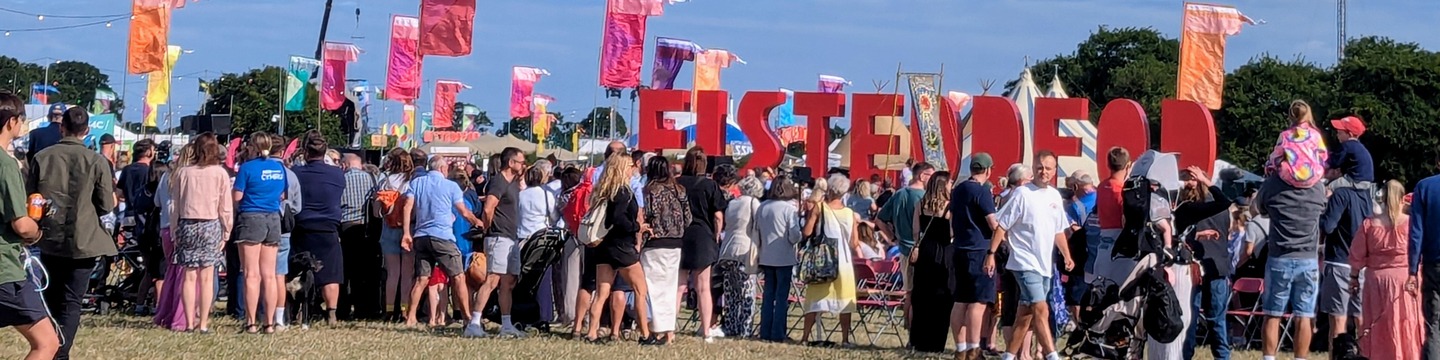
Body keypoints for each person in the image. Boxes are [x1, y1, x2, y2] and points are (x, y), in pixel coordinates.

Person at [29, 107, 118, 357]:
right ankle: (60, 352)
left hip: (50, 237)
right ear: (87, 131)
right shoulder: (97, 161)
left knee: (50, 298)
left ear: (61, 127)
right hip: (84, 240)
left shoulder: (42, 157)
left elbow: (32, 198)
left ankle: (49, 348)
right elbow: (106, 205)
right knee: (72, 301)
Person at [984, 151, 1073, 360]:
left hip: (1044, 264)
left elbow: (1058, 230)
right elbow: (1002, 226)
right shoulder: (1022, 194)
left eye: (1048, 168)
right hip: (1024, 262)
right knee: (1041, 308)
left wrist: (1067, 255)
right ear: (1033, 169)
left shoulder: (1054, 196)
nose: (1043, 172)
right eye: (1040, 167)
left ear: (1054, 171)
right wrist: (991, 253)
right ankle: (1052, 356)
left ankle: (1008, 356)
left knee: (1026, 314)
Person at [1256, 129, 1328, 360]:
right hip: (1308, 258)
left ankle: (1269, 357)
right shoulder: (1317, 187)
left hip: (1279, 257)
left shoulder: (1273, 184)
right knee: (1304, 315)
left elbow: (1256, 209)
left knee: (1272, 314)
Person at [0, 93, 59, 360]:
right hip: (4, 269)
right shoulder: (5, 164)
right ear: (12, 122)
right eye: (22, 119)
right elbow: (22, 225)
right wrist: (37, 231)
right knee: (47, 342)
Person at [582, 154, 660, 345]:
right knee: (640, 290)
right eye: (630, 165)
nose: (633, 168)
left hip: (604, 246)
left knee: (601, 293)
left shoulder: (604, 190)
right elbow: (619, 219)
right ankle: (645, 334)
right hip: (622, 247)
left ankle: (592, 333)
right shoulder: (623, 192)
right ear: (623, 168)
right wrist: (637, 227)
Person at [400, 155, 482, 329]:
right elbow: (463, 212)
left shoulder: (417, 183)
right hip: (442, 236)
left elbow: (407, 206)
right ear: (443, 169)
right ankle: (467, 317)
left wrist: (407, 232)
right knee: (458, 276)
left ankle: (411, 317)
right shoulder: (451, 186)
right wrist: (477, 222)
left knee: (422, 279)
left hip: (421, 235)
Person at [165, 133, 232, 335]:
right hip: (210, 224)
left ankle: (188, 323)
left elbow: (174, 205)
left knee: (189, 276)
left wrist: (174, 229)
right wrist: (226, 231)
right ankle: (203, 323)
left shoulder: (183, 173)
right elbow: (225, 207)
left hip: (186, 223)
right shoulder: (220, 173)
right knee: (206, 276)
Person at [1351, 180, 1421, 359]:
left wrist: (1353, 278)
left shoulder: (1370, 224)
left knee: (1378, 323)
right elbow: (1419, 249)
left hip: (1377, 281)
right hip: (1405, 279)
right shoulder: (1410, 223)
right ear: (1402, 198)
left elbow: (1356, 255)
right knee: (1405, 320)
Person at [1172, 166, 1236, 360]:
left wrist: (1195, 235)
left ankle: (1186, 355)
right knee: (1217, 319)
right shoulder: (1221, 209)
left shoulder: (1188, 208)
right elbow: (1228, 231)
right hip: (1218, 264)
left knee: (1190, 317)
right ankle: (1222, 357)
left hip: (1194, 267)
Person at [230, 132, 286, 334]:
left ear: (252, 147)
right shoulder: (279, 167)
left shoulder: (247, 168)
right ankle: (269, 323)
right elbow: (282, 194)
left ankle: (251, 322)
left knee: (251, 274)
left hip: (251, 217)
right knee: (269, 275)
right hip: (272, 218)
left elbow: (238, 196)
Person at [290, 131, 347, 325]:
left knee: (296, 272)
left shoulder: (297, 173)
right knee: (331, 273)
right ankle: (331, 313)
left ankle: (296, 310)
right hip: (328, 228)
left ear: (305, 151)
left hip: (302, 226)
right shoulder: (338, 174)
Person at [471, 147, 526, 337]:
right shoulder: (499, 182)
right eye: (520, 162)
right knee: (492, 280)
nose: (523, 165)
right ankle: (474, 323)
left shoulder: (512, 182)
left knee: (509, 281)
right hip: (498, 236)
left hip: (511, 237)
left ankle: (506, 324)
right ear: (511, 163)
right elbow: (488, 208)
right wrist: (487, 227)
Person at [799, 175, 859, 347]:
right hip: (843, 261)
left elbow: (807, 232)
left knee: (815, 300)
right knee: (845, 300)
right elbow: (854, 242)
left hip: (823, 259)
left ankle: (805, 337)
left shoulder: (819, 208)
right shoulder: (850, 213)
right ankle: (845, 339)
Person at [676, 147, 729, 341]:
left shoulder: (677, 183)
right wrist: (716, 235)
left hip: (680, 235)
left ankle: (670, 328)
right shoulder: (709, 185)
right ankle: (706, 330)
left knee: (679, 285)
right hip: (703, 236)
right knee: (703, 287)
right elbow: (717, 215)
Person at [1320, 154, 1373, 349]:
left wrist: (1321, 215)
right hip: (1361, 265)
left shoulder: (1340, 194)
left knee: (1338, 320)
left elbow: (1329, 226)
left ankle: (1337, 355)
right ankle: (1365, 353)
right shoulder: (1365, 196)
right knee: (1361, 318)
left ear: (1339, 172)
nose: (1326, 173)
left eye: (1330, 169)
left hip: (1339, 261)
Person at [949, 153, 997, 360]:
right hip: (979, 249)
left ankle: (960, 348)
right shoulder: (982, 191)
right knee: (978, 302)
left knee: (960, 300)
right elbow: (993, 223)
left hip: (960, 247)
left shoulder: (958, 189)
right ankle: (974, 348)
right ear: (987, 170)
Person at [876, 161, 935, 328]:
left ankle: (910, 328)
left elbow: (880, 219)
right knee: (919, 293)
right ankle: (915, 329)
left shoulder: (899, 194)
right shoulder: (924, 197)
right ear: (922, 175)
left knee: (910, 292)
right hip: (920, 248)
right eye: (931, 175)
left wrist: (893, 238)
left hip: (903, 248)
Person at [640, 155, 690, 344]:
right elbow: (688, 218)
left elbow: (649, 214)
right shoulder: (680, 190)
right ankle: (669, 331)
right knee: (670, 288)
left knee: (653, 288)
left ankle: (656, 329)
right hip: (675, 243)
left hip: (655, 243)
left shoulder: (650, 190)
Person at [909, 170, 954, 353]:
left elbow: (915, 231)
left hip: (925, 251)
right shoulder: (949, 207)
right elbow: (952, 233)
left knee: (921, 297)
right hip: (942, 253)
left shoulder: (921, 204)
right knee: (941, 299)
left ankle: (918, 340)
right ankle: (936, 342)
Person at [755, 176, 802, 342]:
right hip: (784, 257)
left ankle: (765, 330)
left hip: (766, 255)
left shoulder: (763, 207)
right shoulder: (789, 209)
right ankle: (778, 332)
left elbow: (757, 230)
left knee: (768, 295)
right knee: (781, 297)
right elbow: (794, 235)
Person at [117, 139, 160, 315]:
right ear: (149, 152)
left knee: (135, 259)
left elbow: (119, 194)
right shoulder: (150, 172)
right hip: (146, 219)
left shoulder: (127, 170)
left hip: (128, 216)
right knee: (152, 266)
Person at [718, 173, 763, 338]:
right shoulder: (753, 203)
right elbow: (759, 225)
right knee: (747, 293)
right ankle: (745, 329)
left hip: (728, 250)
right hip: (745, 251)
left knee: (731, 294)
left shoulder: (733, 203)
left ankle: (731, 327)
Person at [375, 148, 417, 316]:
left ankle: (389, 309)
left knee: (392, 273)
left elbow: (376, 211)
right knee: (407, 274)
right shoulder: (412, 181)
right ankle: (404, 310)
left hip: (388, 227)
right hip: (409, 228)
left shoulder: (385, 181)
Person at [338, 153, 378, 319]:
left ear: (345, 165)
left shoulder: (341, 180)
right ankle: (365, 308)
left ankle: (344, 308)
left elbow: (338, 204)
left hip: (346, 227)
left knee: (346, 270)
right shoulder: (372, 178)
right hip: (366, 228)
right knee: (364, 271)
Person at [1410, 151, 1440, 360]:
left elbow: (1416, 232)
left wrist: (1412, 268)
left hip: (1433, 264)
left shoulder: (1424, 187)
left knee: (1434, 324)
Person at [1265, 100, 1329, 190]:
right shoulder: (1316, 135)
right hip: (1313, 176)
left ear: (1291, 116)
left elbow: (1276, 158)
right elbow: (1323, 157)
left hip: (1290, 176)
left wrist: (1268, 166)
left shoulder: (1285, 135)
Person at [1093, 147, 1131, 283]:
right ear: (1128, 165)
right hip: (1119, 240)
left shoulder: (1102, 186)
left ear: (1108, 165)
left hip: (1103, 238)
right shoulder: (1123, 190)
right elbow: (1125, 218)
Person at [1326, 115, 1375, 194]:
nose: (1337, 135)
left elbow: (1335, 162)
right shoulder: (1359, 146)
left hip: (1355, 180)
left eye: (1340, 133)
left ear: (1350, 134)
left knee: (1329, 187)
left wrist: (1324, 162)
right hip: (1366, 181)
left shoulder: (1347, 145)